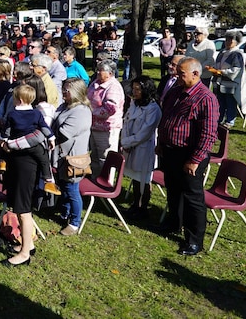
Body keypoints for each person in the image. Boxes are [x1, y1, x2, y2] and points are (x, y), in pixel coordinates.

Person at [156, 57, 219, 256]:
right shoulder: (175, 91)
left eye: (181, 73)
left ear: (195, 74)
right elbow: (165, 117)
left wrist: (195, 160)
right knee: (173, 190)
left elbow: (208, 133)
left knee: (192, 197)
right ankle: (174, 222)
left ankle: (194, 240)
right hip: (170, 150)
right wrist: (161, 143)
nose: (177, 76)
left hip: (189, 154)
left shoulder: (206, 98)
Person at [0, 84, 55, 267]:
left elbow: (5, 134)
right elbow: (46, 129)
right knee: (21, 208)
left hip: (25, 167)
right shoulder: (37, 114)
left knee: (23, 211)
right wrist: (52, 138)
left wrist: (4, 143)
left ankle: (24, 254)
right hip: (18, 163)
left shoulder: (13, 115)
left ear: (19, 100)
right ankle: (27, 243)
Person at [54, 77, 92, 236]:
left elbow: (64, 133)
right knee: (64, 186)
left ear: (75, 92)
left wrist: (48, 134)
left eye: (66, 90)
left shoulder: (81, 111)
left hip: (73, 159)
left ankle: (75, 222)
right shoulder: (66, 106)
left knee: (72, 189)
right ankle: (65, 213)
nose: (63, 92)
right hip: (62, 156)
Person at [120, 75, 162, 219]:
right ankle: (135, 204)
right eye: (134, 89)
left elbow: (145, 132)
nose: (135, 92)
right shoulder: (135, 103)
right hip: (131, 146)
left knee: (143, 178)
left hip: (143, 147)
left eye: (138, 89)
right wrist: (125, 141)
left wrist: (127, 142)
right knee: (135, 177)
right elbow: (126, 122)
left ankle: (143, 208)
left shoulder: (153, 108)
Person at [87, 60, 125, 175]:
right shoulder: (96, 83)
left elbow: (110, 109)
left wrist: (90, 112)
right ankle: (94, 182)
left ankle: (106, 185)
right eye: (97, 69)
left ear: (110, 73)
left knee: (105, 158)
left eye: (101, 70)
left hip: (107, 129)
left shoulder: (113, 87)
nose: (97, 72)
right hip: (94, 127)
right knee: (94, 157)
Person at [209, 30, 246, 127]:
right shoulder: (222, 52)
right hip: (219, 82)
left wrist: (222, 72)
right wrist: (213, 69)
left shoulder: (237, 54)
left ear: (236, 42)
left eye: (230, 40)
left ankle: (230, 121)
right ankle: (218, 119)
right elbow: (217, 64)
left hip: (230, 83)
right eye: (226, 40)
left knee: (230, 102)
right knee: (220, 102)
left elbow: (237, 70)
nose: (228, 42)